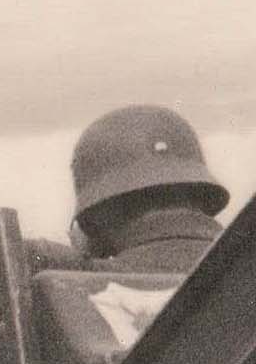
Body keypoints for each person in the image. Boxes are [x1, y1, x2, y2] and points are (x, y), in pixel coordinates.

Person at [69, 105, 230, 273]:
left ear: (96, 218)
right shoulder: (243, 261)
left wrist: (83, 264)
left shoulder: (100, 280)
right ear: (202, 194)